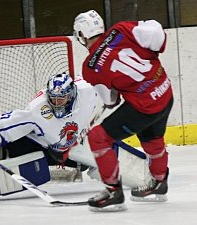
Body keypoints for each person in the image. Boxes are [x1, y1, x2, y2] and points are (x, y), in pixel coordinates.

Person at [0, 73, 99, 204]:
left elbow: (103, 77)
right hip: (37, 145)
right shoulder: (38, 109)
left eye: (61, 99)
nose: (57, 103)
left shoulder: (87, 90)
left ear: (71, 95)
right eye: (53, 98)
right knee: (17, 156)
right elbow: (6, 122)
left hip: (67, 148)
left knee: (83, 165)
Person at [73, 10, 174, 211]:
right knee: (152, 140)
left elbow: (110, 100)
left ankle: (113, 192)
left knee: (98, 138)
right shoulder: (121, 29)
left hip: (144, 107)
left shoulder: (91, 66)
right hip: (164, 93)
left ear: (82, 35)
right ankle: (159, 182)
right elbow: (158, 35)